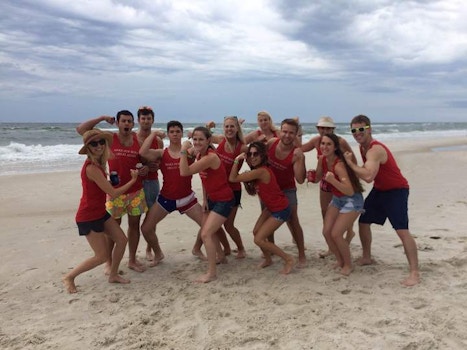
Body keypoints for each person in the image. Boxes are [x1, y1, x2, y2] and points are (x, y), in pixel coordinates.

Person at [344, 114, 420, 286]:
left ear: (369, 128)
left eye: (361, 129)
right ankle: (366, 257)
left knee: (402, 230)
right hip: (380, 190)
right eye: (354, 130)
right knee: (363, 221)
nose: (357, 133)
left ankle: (414, 272)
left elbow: (369, 176)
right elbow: (368, 173)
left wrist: (350, 164)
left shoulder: (375, 149)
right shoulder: (363, 148)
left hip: (397, 191)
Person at [62, 129, 138, 293]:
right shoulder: (92, 168)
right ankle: (70, 277)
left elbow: (102, 187)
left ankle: (113, 274)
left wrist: (108, 181)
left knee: (122, 240)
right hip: (88, 216)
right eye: (93, 144)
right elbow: (113, 193)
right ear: (88, 147)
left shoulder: (98, 164)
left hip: (100, 213)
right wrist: (133, 180)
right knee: (101, 256)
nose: (99, 146)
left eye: (101, 142)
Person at [76, 111, 148, 273]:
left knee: (134, 226)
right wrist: (101, 118)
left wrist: (145, 168)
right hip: (114, 191)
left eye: (130, 121)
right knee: (113, 227)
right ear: (118, 123)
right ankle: (108, 262)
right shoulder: (107, 139)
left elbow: (144, 160)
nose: (127, 124)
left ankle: (132, 260)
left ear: (133, 123)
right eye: (124, 121)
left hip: (136, 192)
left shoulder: (138, 139)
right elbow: (82, 130)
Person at [139, 121, 206, 265]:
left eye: (178, 131)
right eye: (172, 131)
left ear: (182, 133)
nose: (175, 134)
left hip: (187, 199)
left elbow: (205, 147)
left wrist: (196, 134)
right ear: (168, 134)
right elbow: (143, 153)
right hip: (166, 199)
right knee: (145, 228)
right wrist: (154, 134)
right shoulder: (162, 153)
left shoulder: (190, 152)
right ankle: (158, 253)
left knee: (207, 225)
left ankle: (196, 248)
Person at [179, 126, 235, 283]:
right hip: (212, 199)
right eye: (195, 139)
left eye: (201, 140)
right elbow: (205, 180)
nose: (197, 142)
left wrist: (184, 149)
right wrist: (204, 200)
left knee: (206, 234)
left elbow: (184, 171)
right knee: (207, 230)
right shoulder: (200, 154)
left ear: (208, 141)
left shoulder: (210, 157)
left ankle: (211, 273)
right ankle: (221, 257)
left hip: (224, 200)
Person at [229, 142, 294, 274]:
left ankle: (288, 259)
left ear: (262, 155)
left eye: (256, 154)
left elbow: (232, 178)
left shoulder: (261, 171)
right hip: (270, 208)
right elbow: (253, 192)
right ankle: (268, 259)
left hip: (280, 209)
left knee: (258, 239)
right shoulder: (256, 171)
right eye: (250, 154)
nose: (253, 157)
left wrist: (236, 160)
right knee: (256, 232)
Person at [301, 116, 356, 257]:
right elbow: (299, 149)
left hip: (339, 181)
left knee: (342, 211)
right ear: (318, 129)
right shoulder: (316, 141)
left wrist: (344, 173)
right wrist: (298, 134)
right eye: (322, 128)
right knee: (325, 212)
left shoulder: (341, 142)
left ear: (333, 129)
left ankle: (349, 232)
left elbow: (353, 160)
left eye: (328, 128)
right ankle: (331, 246)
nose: (324, 130)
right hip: (326, 181)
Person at [311, 133, 364, 276]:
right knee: (326, 232)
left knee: (336, 234)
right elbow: (317, 179)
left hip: (352, 200)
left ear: (335, 148)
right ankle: (340, 261)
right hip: (337, 199)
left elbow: (349, 190)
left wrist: (333, 181)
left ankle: (348, 264)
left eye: (329, 144)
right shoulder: (322, 159)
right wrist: (309, 176)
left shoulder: (339, 165)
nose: (324, 147)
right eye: (322, 143)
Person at [266, 118, 307, 267]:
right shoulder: (271, 143)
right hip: (269, 189)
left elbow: (300, 179)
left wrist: (301, 159)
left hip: (287, 189)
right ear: (280, 131)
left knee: (293, 220)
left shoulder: (296, 153)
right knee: (268, 220)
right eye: (284, 131)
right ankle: (271, 249)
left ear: (296, 135)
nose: (287, 135)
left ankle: (302, 254)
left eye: (291, 133)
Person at [208, 116, 248, 258]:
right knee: (215, 224)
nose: (229, 129)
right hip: (217, 187)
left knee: (228, 225)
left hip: (233, 190)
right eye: (227, 126)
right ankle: (226, 249)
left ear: (237, 128)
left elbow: (257, 158)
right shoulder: (220, 140)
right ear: (223, 128)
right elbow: (203, 138)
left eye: (232, 126)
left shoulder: (242, 147)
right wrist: (208, 126)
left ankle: (241, 248)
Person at [135, 106, 165, 262]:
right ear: (138, 120)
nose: (146, 121)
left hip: (152, 181)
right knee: (135, 217)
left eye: (148, 118)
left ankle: (149, 248)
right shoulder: (133, 138)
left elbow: (162, 160)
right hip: (136, 182)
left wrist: (156, 165)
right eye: (143, 118)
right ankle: (134, 254)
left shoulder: (158, 140)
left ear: (153, 120)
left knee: (151, 217)